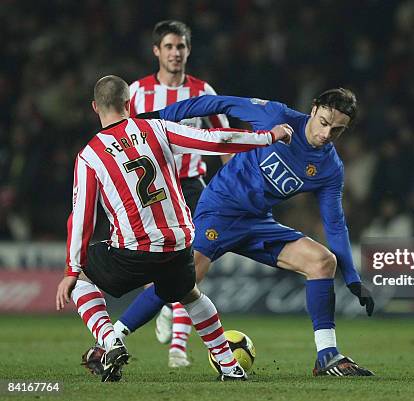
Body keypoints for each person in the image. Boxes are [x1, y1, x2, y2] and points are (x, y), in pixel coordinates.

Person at [120, 88, 376, 377]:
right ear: (313, 109)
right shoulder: (275, 115)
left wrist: (352, 278)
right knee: (184, 278)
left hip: (257, 222)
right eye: (324, 122)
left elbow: (334, 223)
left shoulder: (330, 167)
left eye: (338, 130)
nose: (327, 133)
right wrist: (156, 118)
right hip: (220, 210)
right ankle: (112, 340)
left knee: (322, 262)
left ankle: (327, 355)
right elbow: (218, 103)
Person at [56, 75, 292, 382]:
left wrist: (71, 270)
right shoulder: (157, 129)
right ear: (129, 103)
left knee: (83, 275)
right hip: (179, 244)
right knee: (191, 296)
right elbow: (215, 140)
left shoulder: (90, 156)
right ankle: (229, 365)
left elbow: (81, 217)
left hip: (134, 249)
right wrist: (268, 137)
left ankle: (110, 340)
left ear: (94, 107)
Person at [116, 20, 232, 368]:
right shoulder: (137, 92)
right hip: (153, 189)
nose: (175, 53)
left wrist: (233, 185)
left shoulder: (203, 92)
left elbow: (224, 141)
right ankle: (165, 304)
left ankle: (178, 347)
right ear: (157, 51)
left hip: (193, 186)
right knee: (163, 264)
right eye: (169, 47)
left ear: (188, 50)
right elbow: (121, 140)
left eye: (180, 47)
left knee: (193, 262)